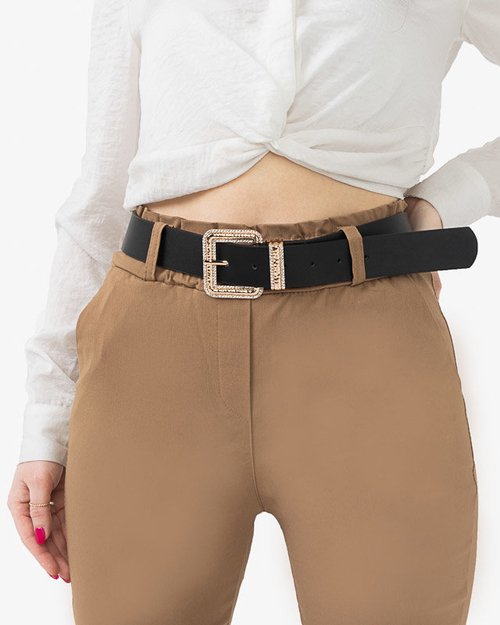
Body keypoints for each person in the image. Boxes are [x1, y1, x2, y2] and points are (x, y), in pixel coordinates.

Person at [7, 0, 498, 623]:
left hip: (370, 348)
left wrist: (447, 200)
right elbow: (100, 197)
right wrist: (47, 420)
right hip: (150, 357)